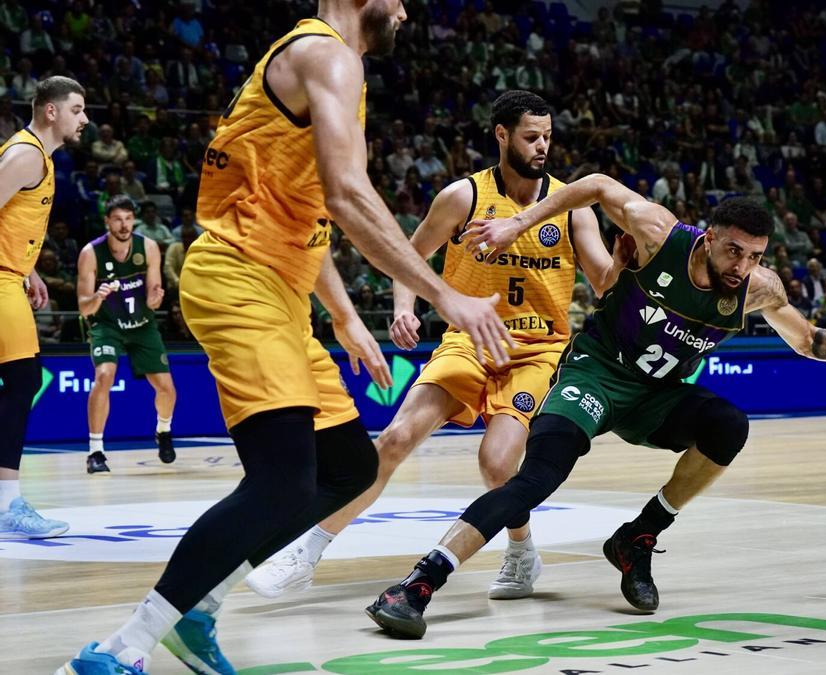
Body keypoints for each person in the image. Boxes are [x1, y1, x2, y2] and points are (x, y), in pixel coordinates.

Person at [59, 3, 512, 674]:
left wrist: (345, 315)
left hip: (282, 290)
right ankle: (120, 647)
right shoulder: (327, 55)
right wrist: (444, 293)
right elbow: (349, 193)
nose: (406, 9)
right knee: (280, 482)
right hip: (240, 279)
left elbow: (312, 210)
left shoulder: (324, 59)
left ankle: (199, 606)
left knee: (348, 469)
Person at [363, 178, 826, 639]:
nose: (741, 266)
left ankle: (637, 537)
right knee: (537, 477)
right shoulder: (657, 232)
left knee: (728, 425)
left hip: (658, 396)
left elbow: (810, 342)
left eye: (754, 255)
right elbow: (593, 183)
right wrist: (520, 220)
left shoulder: (759, 288)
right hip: (594, 374)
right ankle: (419, 583)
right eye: (733, 251)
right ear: (709, 237)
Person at [245, 90, 622, 602]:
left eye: (548, 137)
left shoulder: (571, 208)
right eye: (532, 137)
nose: (542, 147)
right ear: (502, 135)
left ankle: (521, 550)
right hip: (468, 342)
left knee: (498, 463)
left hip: (537, 351)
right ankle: (305, 553)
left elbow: (603, 282)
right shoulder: (462, 197)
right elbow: (409, 256)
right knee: (396, 438)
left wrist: (625, 259)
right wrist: (405, 307)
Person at [0, 77, 87, 540]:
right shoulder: (27, 154)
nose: (85, 118)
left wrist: (28, 267)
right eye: (77, 109)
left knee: (21, 380)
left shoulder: (39, 157)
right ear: (51, 111)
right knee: (23, 380)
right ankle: (7, 506)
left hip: (11, 275)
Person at [76, 195, 177, 474]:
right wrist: (98, 295)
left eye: (129, 219)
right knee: (104, 376)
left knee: (166, 388)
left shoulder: (149, 247)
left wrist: (156, 298)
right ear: (107, 221)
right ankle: (96, 451)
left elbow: (154, 298)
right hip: (106, 326)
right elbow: (84, 308)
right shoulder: (90, 253)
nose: (124, 225)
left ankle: (163, 431)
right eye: (118, 219)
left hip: (142, 325)